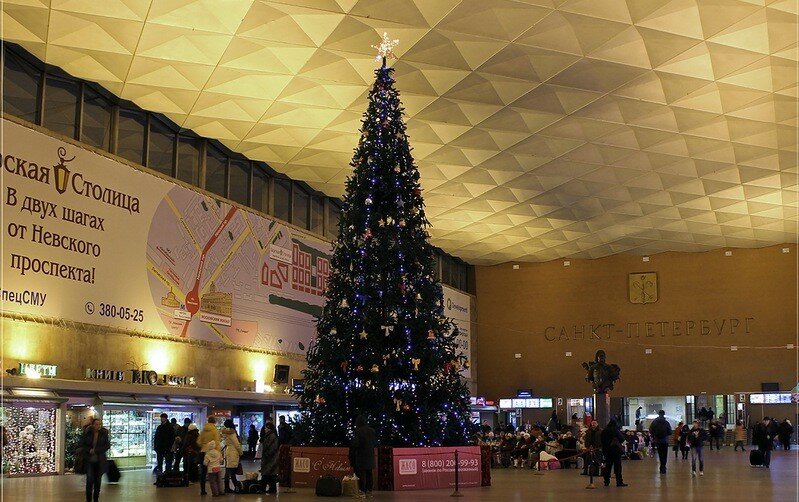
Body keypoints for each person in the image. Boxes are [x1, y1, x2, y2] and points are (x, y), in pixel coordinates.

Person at [82, 418, 110, 502]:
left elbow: (107, 446)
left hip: (100, 460)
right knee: (90, 480)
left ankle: (96, 499)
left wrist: (97, 450)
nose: (98, 426)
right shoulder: (88, 433)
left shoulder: (103, 434)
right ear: (93, 425)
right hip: (89, 460)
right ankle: (88, 499)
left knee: (98, 481)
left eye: (99, 424)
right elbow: (82, 444)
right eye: (96, 424)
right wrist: (89, 450)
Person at [352, 415, 377, 498]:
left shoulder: (358, 431)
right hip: (370, 455)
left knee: (362, 474)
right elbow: (374, 442)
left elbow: (356, 444)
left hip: (361, 456)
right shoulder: (372, 431)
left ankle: (362, 492)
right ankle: (369, 492)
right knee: (369, 473)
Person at [198, 416, 221, 495]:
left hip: (203, 452)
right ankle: (217, 490)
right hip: (212, 452)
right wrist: (219, 453)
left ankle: (203, 490)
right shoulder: (215, 430)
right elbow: (217, 442)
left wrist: (204, 446)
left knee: (203, 473)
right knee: (215, 472)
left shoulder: (203, 430)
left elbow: (199, 442)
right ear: (214, 421)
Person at [600, 419, 627, 487]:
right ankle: (619, 482)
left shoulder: (604, 430)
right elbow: (622, 439)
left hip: (607, 451)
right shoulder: (615, 430)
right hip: (615, 451)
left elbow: (601, 440)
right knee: (617, 467)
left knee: (608, 466)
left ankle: (606, 481)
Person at [221, 419, 243, 493]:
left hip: (228, 452)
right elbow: (237, 444)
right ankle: (237, 487)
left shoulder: (225, 432)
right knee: (232, 472)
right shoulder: (232, 433)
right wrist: (241, 453)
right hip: (233, 452)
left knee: (228, 471)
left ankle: (227, 487)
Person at [649, 410, 672, 474]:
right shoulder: (666, 422)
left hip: (658, 441)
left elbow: (650, 430)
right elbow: (670, 432)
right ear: (664, 414)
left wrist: (654, 436)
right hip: (665, 441)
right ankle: (663, 467)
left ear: (658, 414)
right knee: (665, 455)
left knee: (660, 454)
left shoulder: (655, 422)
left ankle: (661, 467)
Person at [260, 421, 279, 494]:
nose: (265, 429)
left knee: (265, 474)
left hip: (270, 458)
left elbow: (272, 448)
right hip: (271, 458)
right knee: (271, 474)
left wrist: (267, 454)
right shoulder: (269, 435)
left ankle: (262, 489)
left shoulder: (271, 436)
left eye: (266, 428)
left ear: (269, 429)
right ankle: (272, 489)